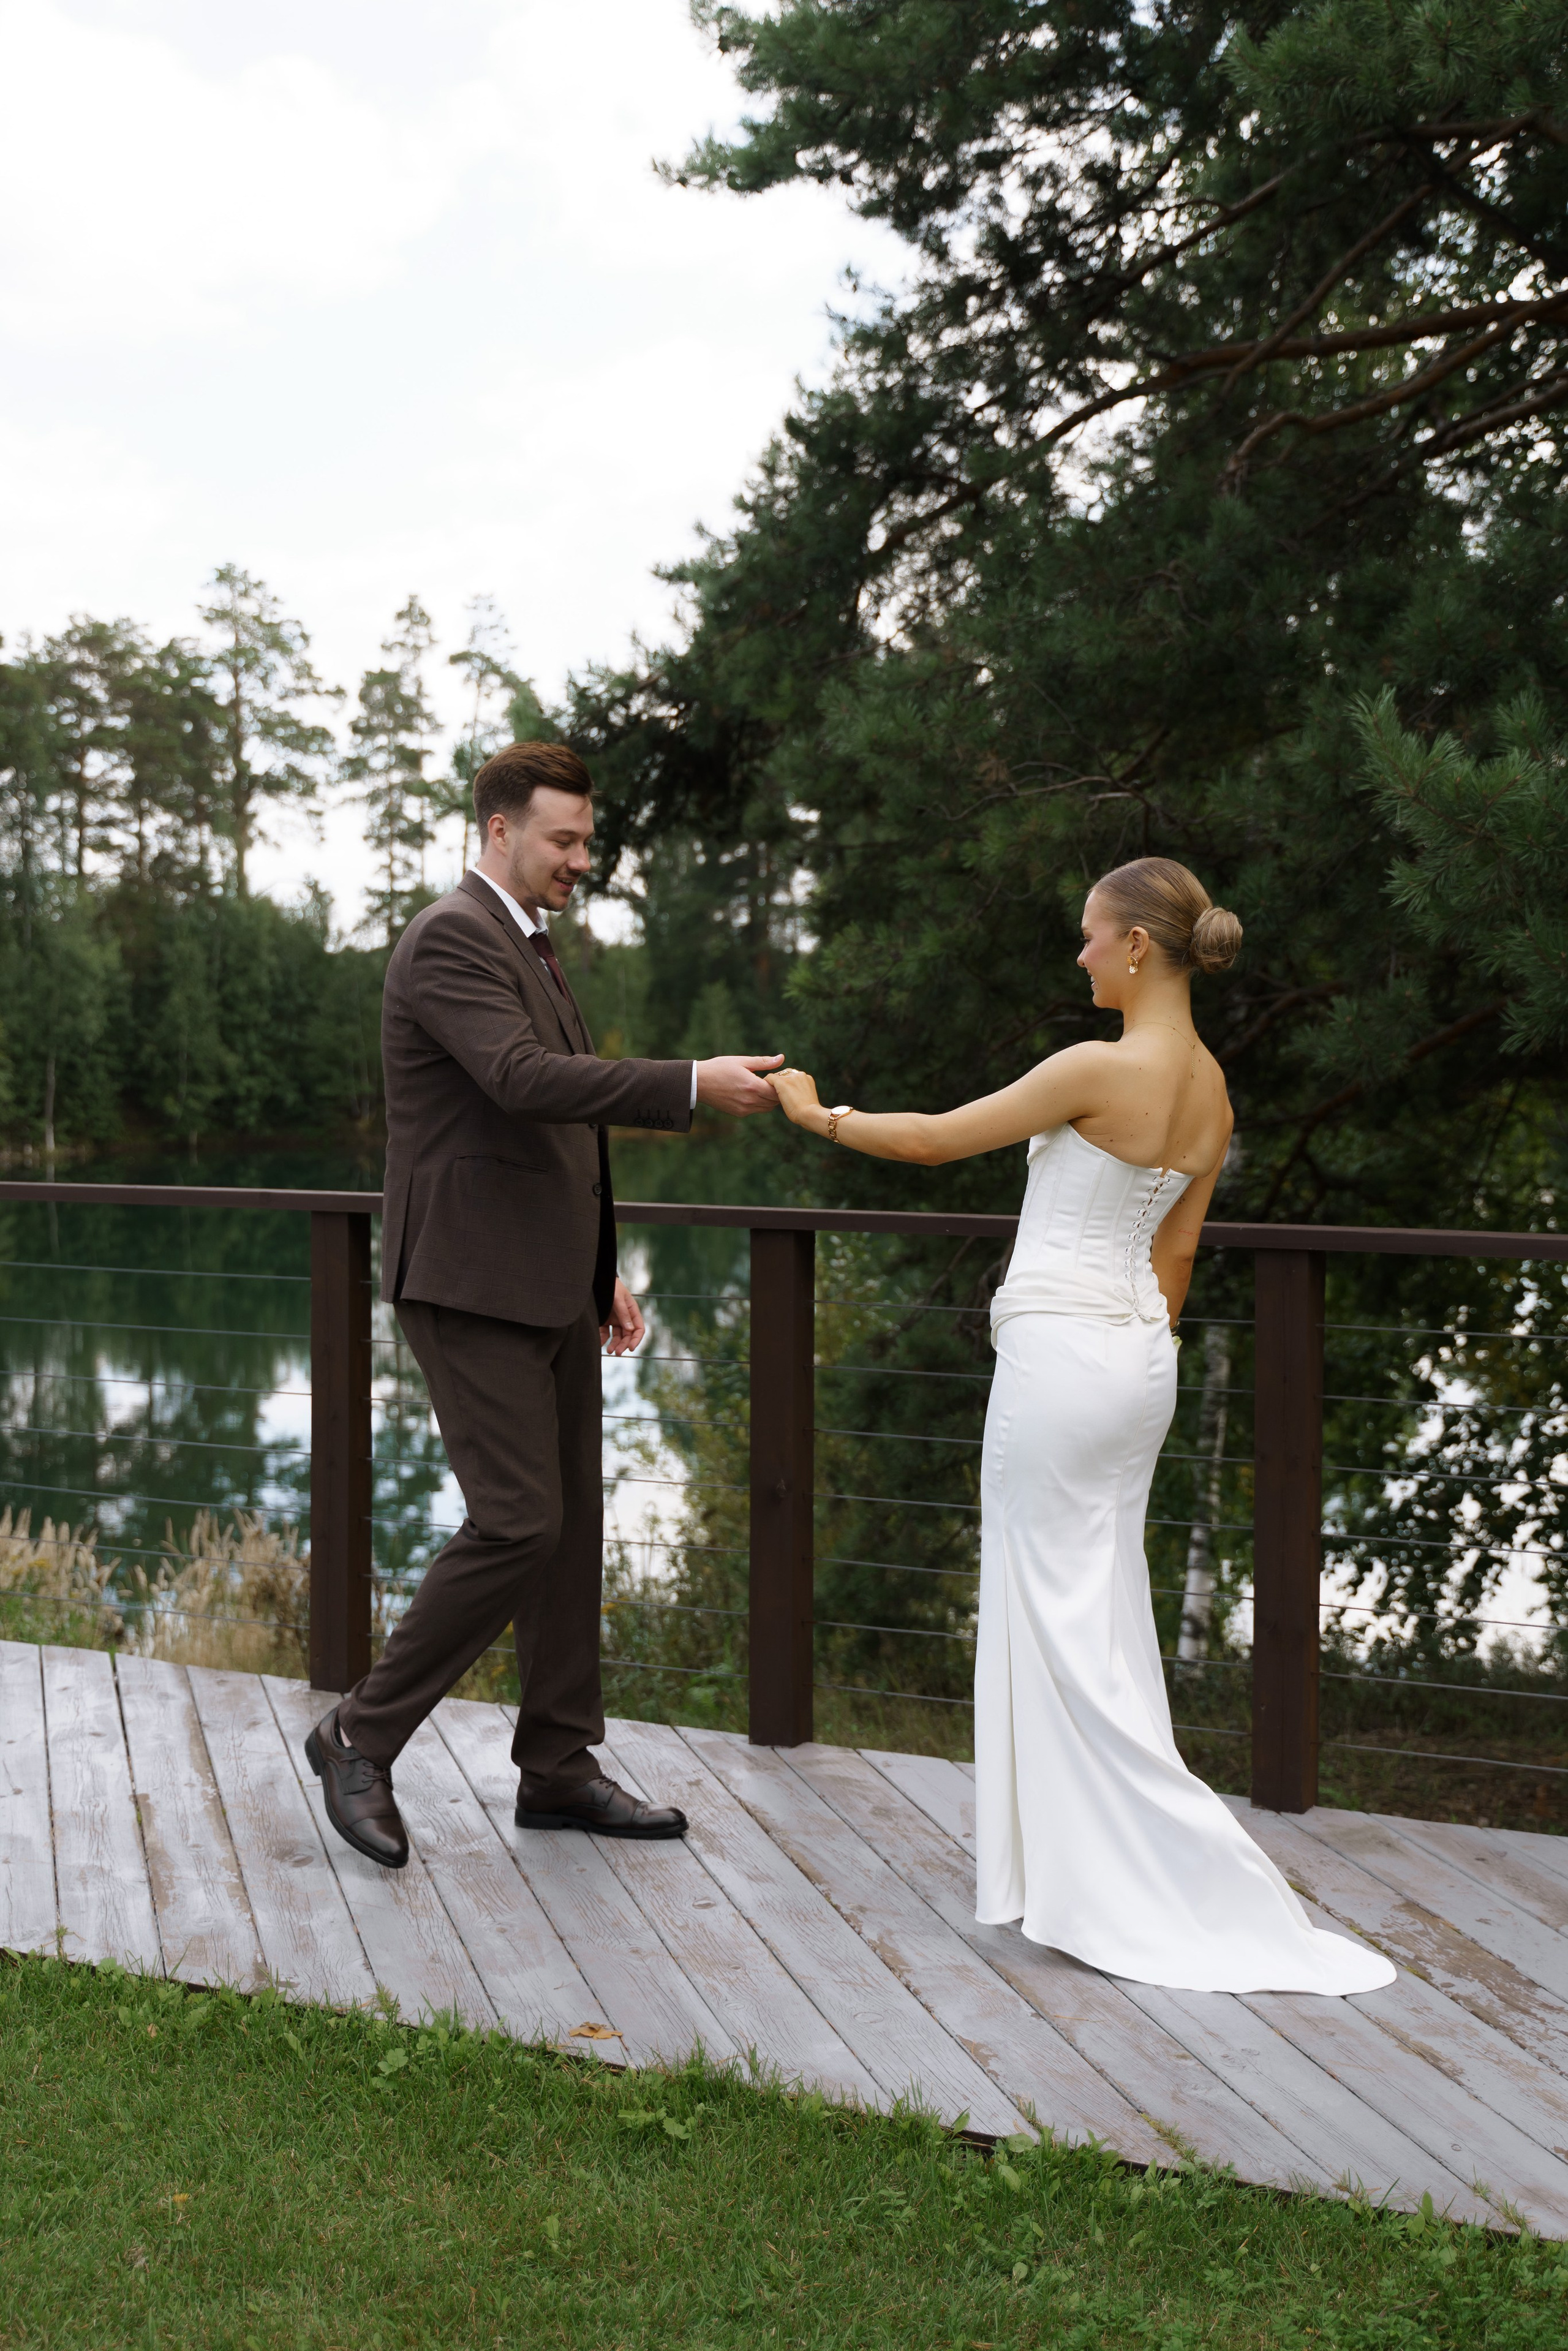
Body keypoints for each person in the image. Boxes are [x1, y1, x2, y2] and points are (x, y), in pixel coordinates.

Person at [768, 858, 1394, 1996]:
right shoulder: (1210, 1088)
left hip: (1062, 1357)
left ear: (1140, 948)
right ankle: (1097, 1870)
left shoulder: (1096, 1067)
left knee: (1054, 1619)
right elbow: (1180, 1256)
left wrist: (822, 1113)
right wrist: (1133, 1346)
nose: (1083, 954)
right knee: (1099, 1613)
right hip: (1138, 1358)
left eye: (1093, 936)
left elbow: (935, 1139)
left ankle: (1124, 1873)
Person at [307, 741, 782, 1870]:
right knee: (518, 1520)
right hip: (466, 1282)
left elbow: (557, 1133)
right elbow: (522, 1081)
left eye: (586, 839)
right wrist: (687, 1082)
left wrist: (597, 1266)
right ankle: (358, 1736)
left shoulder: (533, 942)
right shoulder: (451, 938)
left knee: (570, 1527)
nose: (581, 858)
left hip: (544, 1283)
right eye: (563, 839)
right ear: (498, 829)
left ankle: (559, 1766)